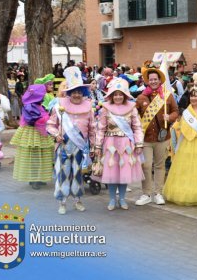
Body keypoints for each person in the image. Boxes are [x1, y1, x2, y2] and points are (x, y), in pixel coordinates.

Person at [46, 67, 96, 214]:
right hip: (63, 147)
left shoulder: (89, 108)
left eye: (79, 91)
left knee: (78, 174)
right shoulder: (59, 106)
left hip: (80, 148)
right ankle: (62, 202)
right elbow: (50, 125)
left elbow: (92, 129)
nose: (76, 94)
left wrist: (93, 146)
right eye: (73, 91)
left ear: (83, 93)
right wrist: (56, 134)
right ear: (69, 93)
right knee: (63, 174)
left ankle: (78, 200)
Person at [94, 80, 145, 210]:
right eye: (115, 94)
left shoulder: (132, 108)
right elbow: (100, 128)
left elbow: (137, 127)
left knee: (124, 172)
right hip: (110, 144)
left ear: (125, 95)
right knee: (112, 173)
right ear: (111, 95)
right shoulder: (106, 108)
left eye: (120, 94)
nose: (118, 97)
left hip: (126, 145)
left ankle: (122, 199)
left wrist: (139, 143)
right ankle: (112, 199)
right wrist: (98, 146)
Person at [135, 67, 179, 206]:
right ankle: (146, 193)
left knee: (160, 166)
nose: (153, 81)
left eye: (155, 79)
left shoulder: (167, 95)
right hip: (146, 138)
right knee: (146, 165)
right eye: (151, 79)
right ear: (147, 81)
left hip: (162, 137)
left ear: (160, 80)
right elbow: (134, 116)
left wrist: (170, 117)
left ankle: (158, 193)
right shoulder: (141, 97)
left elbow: (176, 111)